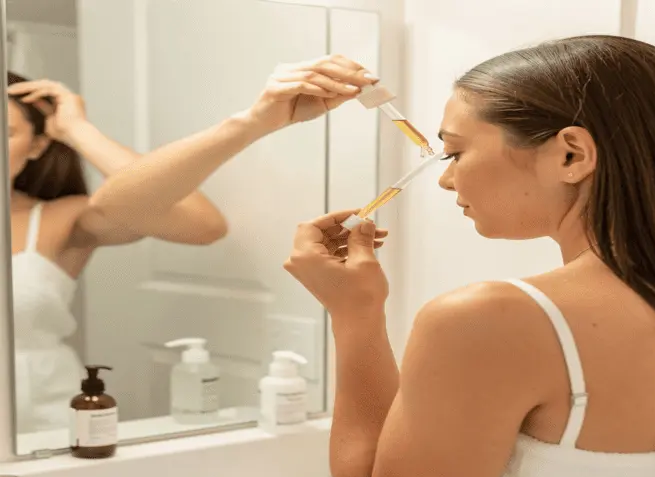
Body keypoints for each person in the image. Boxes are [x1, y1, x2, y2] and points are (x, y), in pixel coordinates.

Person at [284, 35, 655, 477]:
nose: (445, 181)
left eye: (456, 153)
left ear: (572, 155)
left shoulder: (490, 321)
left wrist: (355, 314)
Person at [8, 56, 378, 433]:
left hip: (42, 417)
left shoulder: (58, 221)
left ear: (37, 146)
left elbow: (200, 224)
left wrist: (76, 131)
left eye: (6, 133)